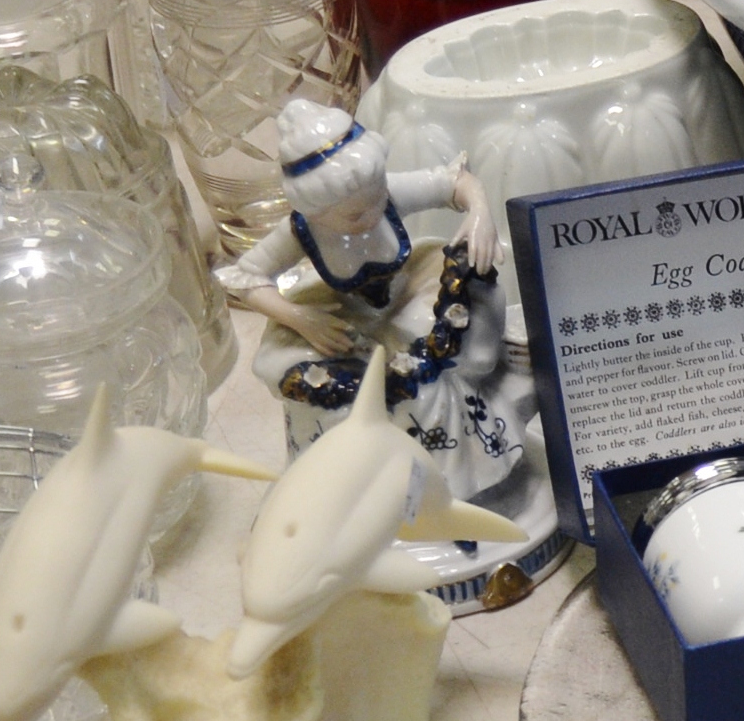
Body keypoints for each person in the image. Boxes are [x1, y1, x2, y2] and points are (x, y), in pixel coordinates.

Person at [215, 101, 524, 501]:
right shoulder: (298, 232)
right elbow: (243, 278)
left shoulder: (384, 193)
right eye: (356, 215)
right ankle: (392, 491)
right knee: (378, 391)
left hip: (410, 294)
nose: (374, 211)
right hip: (347, 317)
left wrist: (480, 214)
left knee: (462, 346)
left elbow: (456, 183)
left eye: (378, 196)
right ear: (316, 212)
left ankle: (471, 465)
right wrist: (299, 317)